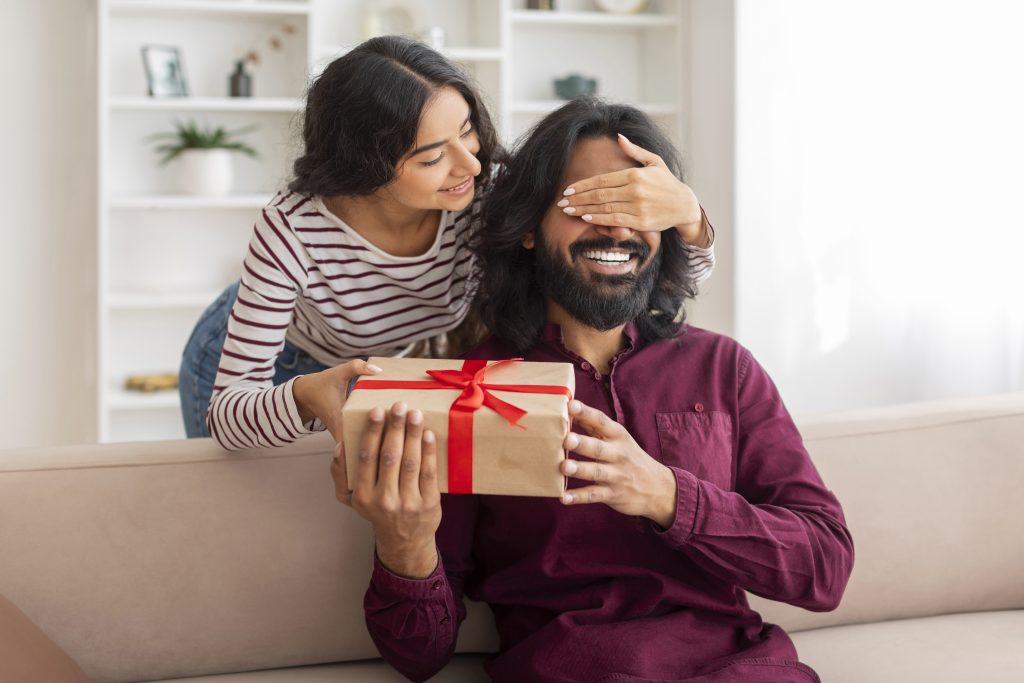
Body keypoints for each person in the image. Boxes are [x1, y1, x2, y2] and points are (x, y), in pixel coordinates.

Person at [333, 99, 854, 682]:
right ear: (529, 227)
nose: (616, 226)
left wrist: (667, 496)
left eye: (636, 204)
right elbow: (418, 656)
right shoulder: (470, 391)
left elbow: (825, 569)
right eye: (587, 202)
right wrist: (403, 541)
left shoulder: (723, 367)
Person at [178, 35, 717, 449]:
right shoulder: (292, 230)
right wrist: (303, 396)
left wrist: (687, 216)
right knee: (245, 519)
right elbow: (229, 415)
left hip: (380, 362)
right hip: (280, 365)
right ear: (364, 168)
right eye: (432, 156)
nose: (472, 163)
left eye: (466, 129)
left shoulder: (478, 197)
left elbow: (666, 280)